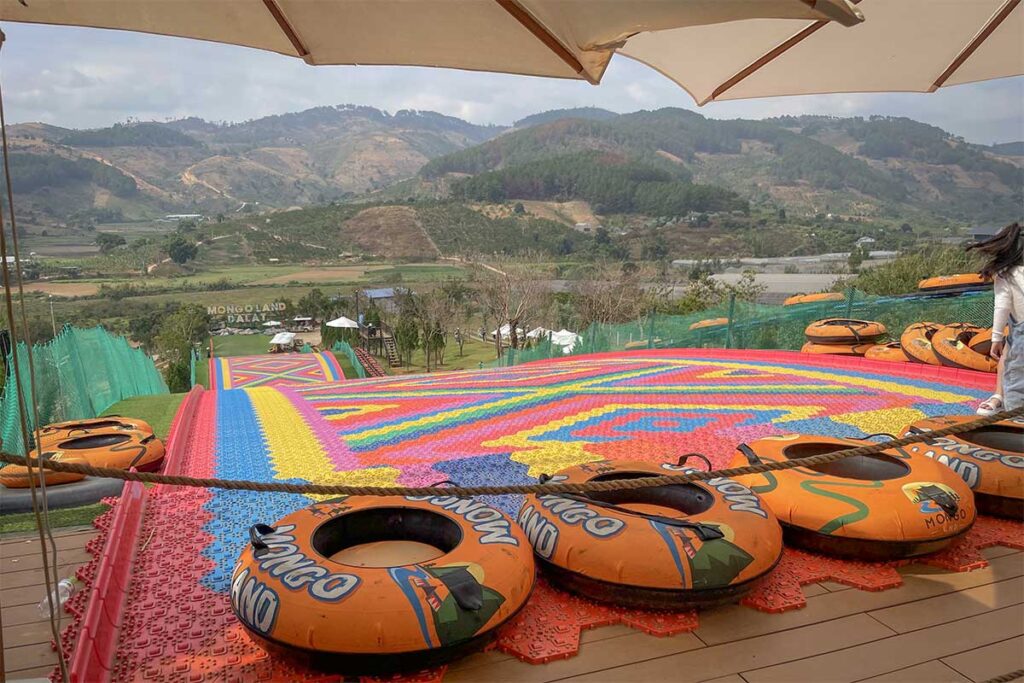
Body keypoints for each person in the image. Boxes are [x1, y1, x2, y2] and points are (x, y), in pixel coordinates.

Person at [970, 223, 1023, 414]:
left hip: (1021, 330)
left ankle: (1015, 417)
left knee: (1016, 378)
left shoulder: (1006, 274)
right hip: (1018, 327)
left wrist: (996, 337)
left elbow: (1002, 307)